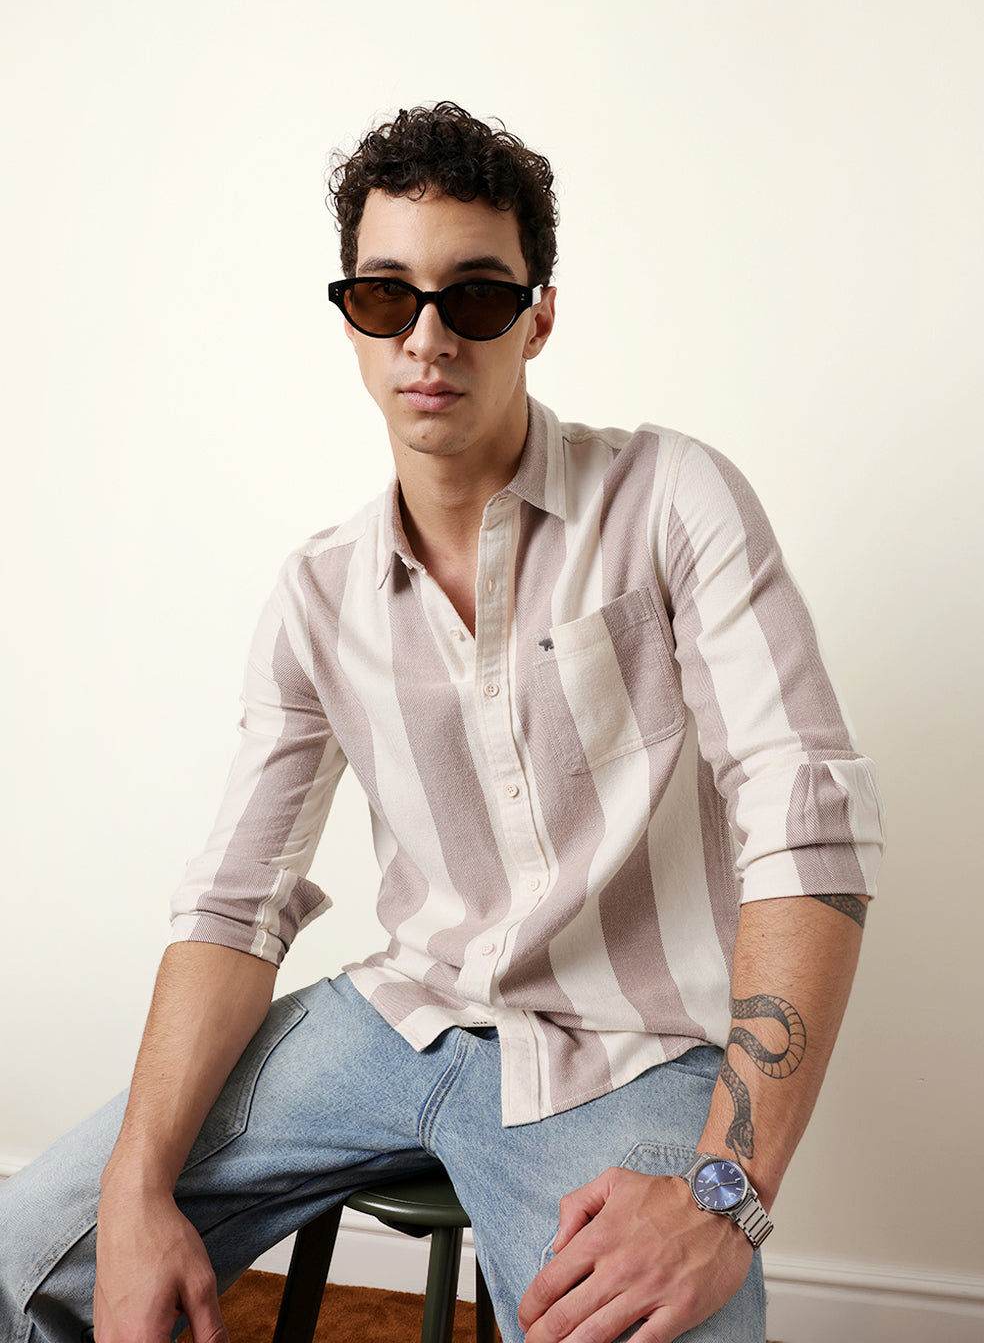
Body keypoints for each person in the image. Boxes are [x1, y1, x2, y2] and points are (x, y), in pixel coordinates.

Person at [0, 102, 884, 1343]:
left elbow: (807, 826)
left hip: (633, 1050)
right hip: (398, 1018)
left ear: (538, 316)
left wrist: (724, 1195)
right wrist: (137, 1187)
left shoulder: (673, 499)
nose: (428, 337)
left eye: (473, 296)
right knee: (21, 1254)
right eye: (387, 296)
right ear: (351, 321)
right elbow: (236, 902)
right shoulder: (318, 595)